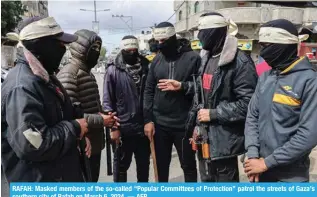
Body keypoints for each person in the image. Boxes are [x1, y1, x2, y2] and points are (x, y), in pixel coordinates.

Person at [1, 16, 90, 182]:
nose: (64, 48)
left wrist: (79, 134)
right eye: (59, 43)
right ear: (41, 45)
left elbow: (59, 115)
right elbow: (34, 144)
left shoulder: (44, 76)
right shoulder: (22, 87)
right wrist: (75, 128)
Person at [187, 12, 258, 182]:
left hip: (225, 145)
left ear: (216, 32)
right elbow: (203, 96)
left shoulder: (240, 62)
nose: (199, 36)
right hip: (204, 142)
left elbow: (249, 103)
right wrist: (197, 127)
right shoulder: (205, 58)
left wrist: (214, 114)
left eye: (203, 32)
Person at [244, 19, 317, 182]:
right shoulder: (265, 78)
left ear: (284, 46)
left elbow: (309, 134)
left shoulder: (310, 81)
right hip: (259, 171)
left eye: (267, 46)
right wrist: (253, 155)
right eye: (261, 46)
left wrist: (267, 162)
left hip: (291, 178)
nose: (263, 52)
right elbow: (252, 117)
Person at [57, 29, 118, 182]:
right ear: (81, 49)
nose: (97, 52)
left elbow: (92, 106)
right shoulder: (70, 74)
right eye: (94, 49)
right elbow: (69, 115)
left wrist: (106, 114)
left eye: (99, 48)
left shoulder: (87, 73)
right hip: (82, 145)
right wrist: (102, 120)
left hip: (94, 144)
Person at [143, 22, 201, 182]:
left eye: (164, 41)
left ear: (173, 37)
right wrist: (148, 120)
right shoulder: (156, 61)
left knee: (188, 167)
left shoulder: (193, 58)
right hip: (160, 126)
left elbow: (202, 88)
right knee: (161, 168)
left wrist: (182, 86)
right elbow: (148, 91)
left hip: (184, 126)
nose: (160, 45)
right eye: (158, 41)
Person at [103, 35, 150, 182]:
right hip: (123, 129)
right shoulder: (112, 71)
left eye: (134, 50)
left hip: (143, 128)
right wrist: (114, 129)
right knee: (121, 168)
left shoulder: (146, 67)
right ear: (122, 50)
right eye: (128, 50)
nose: (131, 53)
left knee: (144, 167)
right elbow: (107, 102)